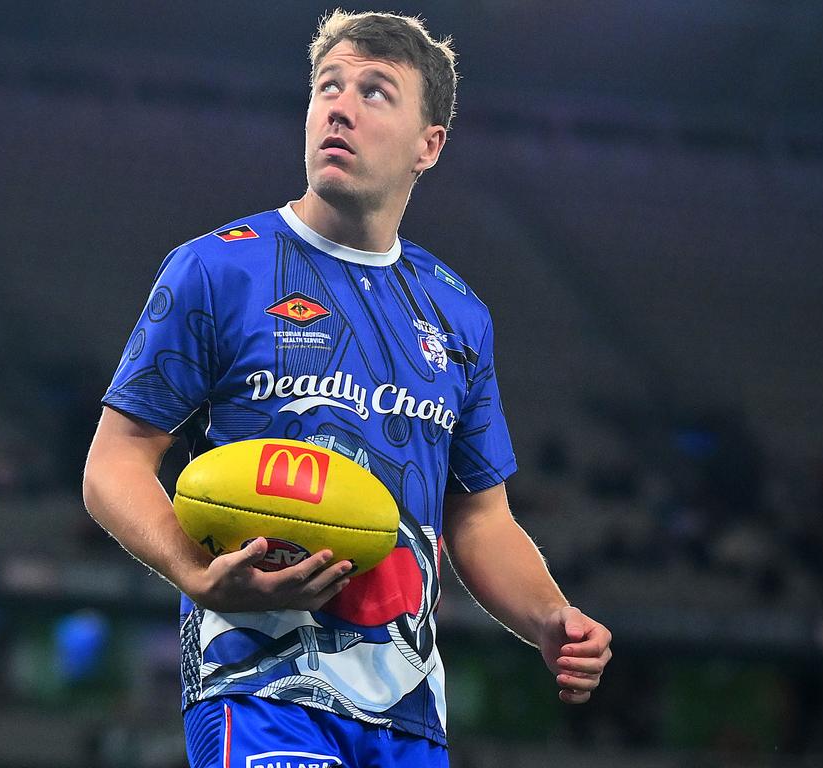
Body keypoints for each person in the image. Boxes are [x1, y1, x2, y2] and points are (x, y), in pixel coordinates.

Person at [83, 10, 612, 767]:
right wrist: (195, 573)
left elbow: (481, 518)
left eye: (375, 92)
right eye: (327, 86)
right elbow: (113, 464)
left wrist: (551, 616)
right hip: (258, 689)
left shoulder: (457, 312)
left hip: (407, 712)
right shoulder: (216, 269)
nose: (339, 105)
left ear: (429, 144)